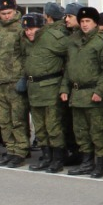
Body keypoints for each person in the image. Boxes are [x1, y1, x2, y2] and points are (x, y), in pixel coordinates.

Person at [62, 6, 103, 177]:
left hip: (93, 92)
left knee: (98, 130)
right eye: (82, 21)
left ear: (95, 23)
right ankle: (86, 161)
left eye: (88, 21)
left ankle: (100, 163)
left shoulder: (102, 42)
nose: (85, 25)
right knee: (81, 130)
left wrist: (100, 91)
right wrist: (64, 88)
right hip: (77, 93)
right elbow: (69, 67)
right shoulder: (73, 41)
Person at [24, 12, 71, 172]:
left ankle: (58, 159)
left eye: (31, 28)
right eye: (26, 29)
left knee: (53, 126)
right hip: (34, 89)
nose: (28, 32)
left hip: (50, 87)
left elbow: (71, 55)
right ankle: (46, 156)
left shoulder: (53, 38)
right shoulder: (28, 41)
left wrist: (65, 84)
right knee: (40, 127)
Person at [0, 0, 30, 167]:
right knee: (4, 119)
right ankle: (10, 148)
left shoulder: (21, 28)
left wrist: (23, 77)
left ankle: (21, 150)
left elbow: (26, 54)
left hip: (14, 80)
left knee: (17, 118)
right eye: (3, 13)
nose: (6, 16)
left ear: (15, 11)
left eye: (9, 12)